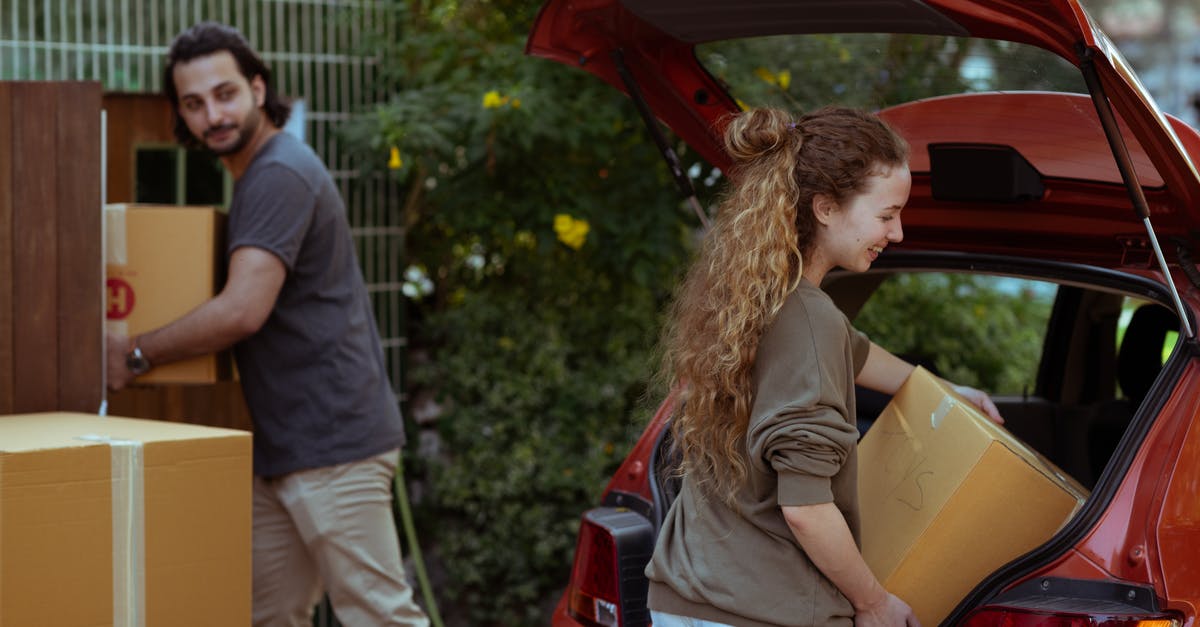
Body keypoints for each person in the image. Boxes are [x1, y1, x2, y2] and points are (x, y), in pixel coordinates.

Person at [104, 21, 430, 627]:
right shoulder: (261, 175)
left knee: (379, 617)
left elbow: (242, 309)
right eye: (194, 104)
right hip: (286, 449)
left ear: (258, 88)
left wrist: (132, 354)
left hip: (334, 445)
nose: (212, 116)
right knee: (269, 615)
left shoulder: (278, 172)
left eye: (225, 94)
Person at [644, 107, 1003, 627]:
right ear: (826, 208)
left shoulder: (756, 296)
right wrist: (873, 602)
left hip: (687, 597)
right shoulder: (808, 322)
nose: (898, 233)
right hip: (762, 613)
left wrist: (944, 391)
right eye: (886, 215)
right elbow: (807, 509)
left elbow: (851, 351)